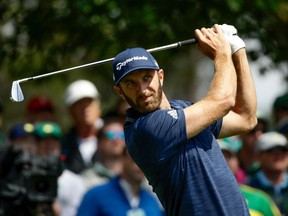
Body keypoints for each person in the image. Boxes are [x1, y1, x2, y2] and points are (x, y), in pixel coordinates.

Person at [112, 24, 257, 215]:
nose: (142, 89)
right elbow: (223, 101)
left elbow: (245, 118)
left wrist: (237, 49)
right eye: (131, 83)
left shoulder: (184, 108)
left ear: (160, 76)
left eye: (147, 77)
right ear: (119, 91)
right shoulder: (144, 130)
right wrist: (222, 53)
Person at [77, 148, 165, 216]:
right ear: (123, 160)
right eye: (135, 159)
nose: (140, 165)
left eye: (144, 161)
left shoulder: (152, 201)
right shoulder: (96, 196)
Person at [218, 137, 282, 216]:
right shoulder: (199, 200)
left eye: (229, 157)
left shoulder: (259, 199)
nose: (224, 161)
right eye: (217, 157)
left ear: (237, 161)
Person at [33, 121, 86, 216]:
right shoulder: (24, 177)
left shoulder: (74, 181)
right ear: (35, 144)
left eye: (53, 140)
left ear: (60, 144)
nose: (49, 144)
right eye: (43, 140)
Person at [61, 80, 103, 174]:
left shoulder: (115, 137)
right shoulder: (62, 145)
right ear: (70, 111)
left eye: (89, 102)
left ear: (98, 106)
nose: (85, 109)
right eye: (79, 104)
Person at [247, 131, 288, 215]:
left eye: (283, 150)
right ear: (258, 156)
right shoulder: (249, 188)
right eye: (272, 150)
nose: (278, 154)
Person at [80, 115, 126, 189]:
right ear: (99, 143)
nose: (116, 140)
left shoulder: (137, 175)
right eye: (110, 135)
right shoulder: (86, 180)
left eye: (121, 135)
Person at [237, 112, 269, 180]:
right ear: (239, 133)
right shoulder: (228, 161)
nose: (258, 135)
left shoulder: (271, 164)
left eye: (263, 130)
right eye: (252, 130)